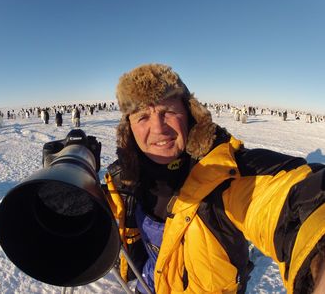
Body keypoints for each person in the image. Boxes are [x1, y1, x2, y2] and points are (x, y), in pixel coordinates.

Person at [103, 63, 325, 294]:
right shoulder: (124, 181)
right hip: (148, 285)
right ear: (128, 128)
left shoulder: (225, 174)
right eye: (143, 117)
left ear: (189, 115)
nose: (158, 128)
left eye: (168, 111)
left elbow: (289, 201)